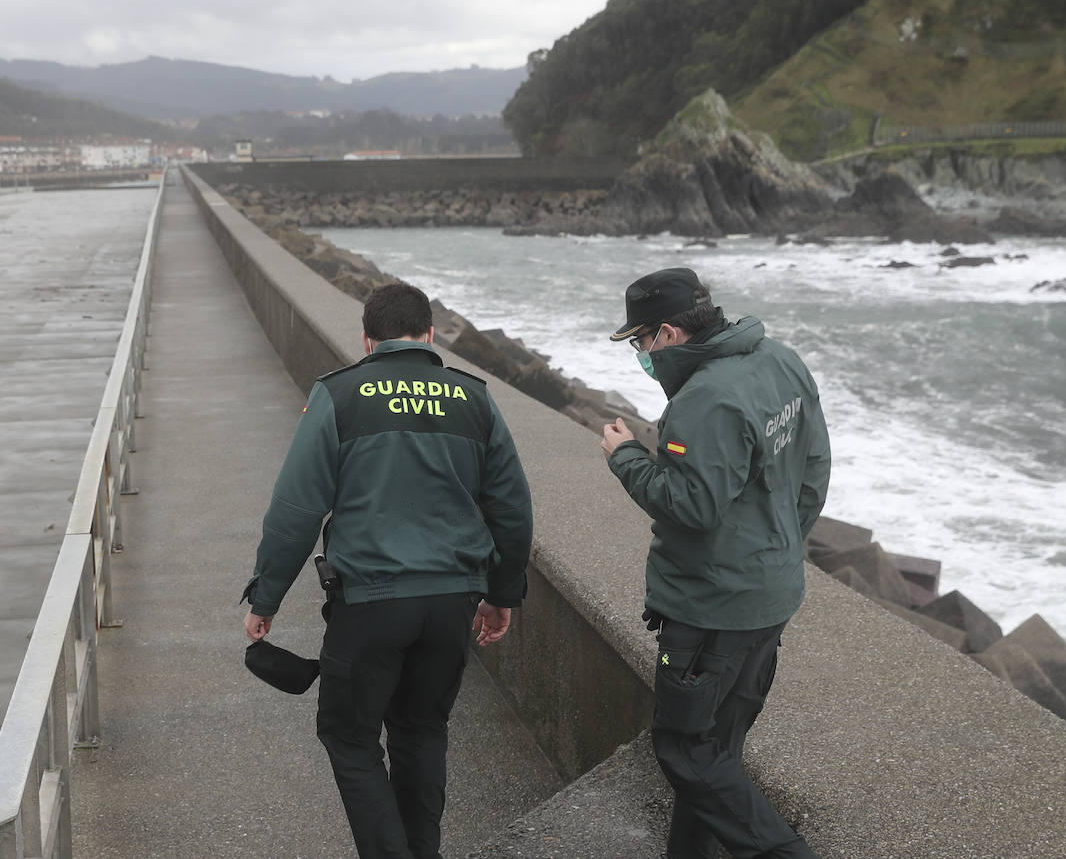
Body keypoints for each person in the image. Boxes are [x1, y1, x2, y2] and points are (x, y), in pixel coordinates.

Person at [241, 282, 532, 859]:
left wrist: (266, 598)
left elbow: (296, 510)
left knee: (349, 736)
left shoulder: (340, 394)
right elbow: (513, 508)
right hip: (452, 601)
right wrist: (502, 594)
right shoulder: (474, 398)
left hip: (369, 603)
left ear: (368, 340)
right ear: (430, 335)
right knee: (422, 731)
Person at [600, 268, 830, 859]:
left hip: (713, 610)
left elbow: (691, 504)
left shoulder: (706, 397)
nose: (640, 353)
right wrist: (779, 549)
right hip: (770, 594)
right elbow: (814, 467)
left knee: (685, 750)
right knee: (719, 749)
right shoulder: (780, 361)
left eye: (640, 340)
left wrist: (626, 456)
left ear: (669, 333)